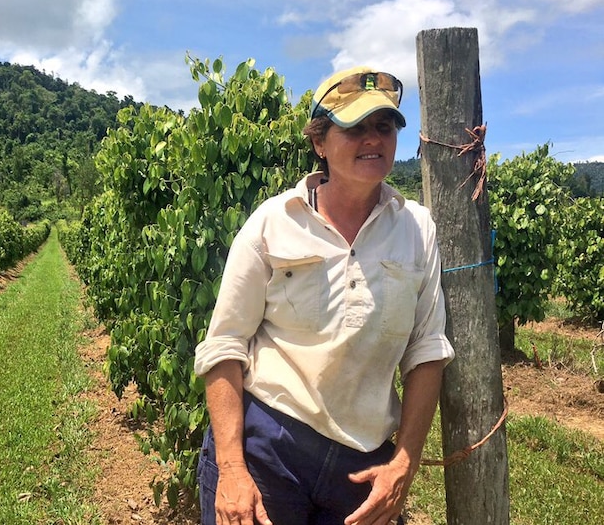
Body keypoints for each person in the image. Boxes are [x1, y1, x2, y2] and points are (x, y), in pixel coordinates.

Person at [194, 66, 455, 525]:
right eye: (353, 127)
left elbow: (427, 352)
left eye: (384, 126)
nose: (372, 139)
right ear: (319, 142)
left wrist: (404, 464)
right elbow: (224, 346)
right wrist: (232, 468)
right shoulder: (275, 222)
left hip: (361, 464)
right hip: (268, 446)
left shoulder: (417, 229)